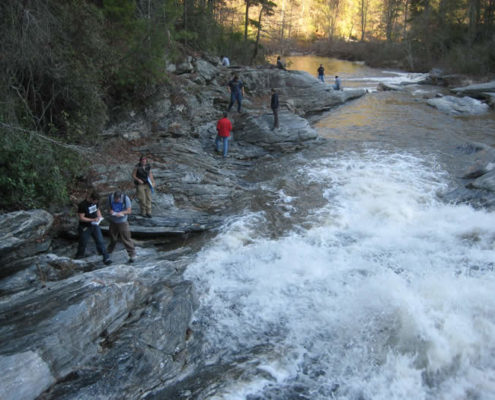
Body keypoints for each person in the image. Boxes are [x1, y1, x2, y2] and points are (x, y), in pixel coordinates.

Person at [75, 192, 112, 265]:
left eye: (97, 201)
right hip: (85, 226)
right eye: (95, 201)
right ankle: (79, 257)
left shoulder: (96, 202)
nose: (96, 202)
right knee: (83, 242)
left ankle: (106, 258)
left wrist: (99, 217)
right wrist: (92, 220)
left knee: (100, 240)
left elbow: (97, 210)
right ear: (91, 199)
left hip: (95, 225)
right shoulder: (82, 205)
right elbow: (81, 218)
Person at [107, 191, 136, 263]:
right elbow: (109, 209)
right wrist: (111, 212)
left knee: (126, 238)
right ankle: (108, 252)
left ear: (120, 197)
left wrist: (121, 213)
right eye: (115, 199)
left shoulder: (126, 199)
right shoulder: (110, 198)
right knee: (113, 237)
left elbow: (129, 211)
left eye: (118, 199)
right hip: (113, 221)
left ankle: (132, 254)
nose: (116, 200)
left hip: (123, 221)